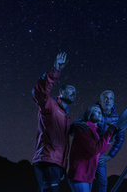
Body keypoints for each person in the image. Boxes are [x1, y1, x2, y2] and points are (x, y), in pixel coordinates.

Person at [32, 52, 75, 192]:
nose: (74, 93)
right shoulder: (50, 104)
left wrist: (63, 166)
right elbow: (39, 92)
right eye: (70, 90)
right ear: (61, 92)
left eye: (75, 91)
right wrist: (55, 70)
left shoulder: (66, 115)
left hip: (56, 164)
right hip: (47, 160)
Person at [72, 90, 126, 192]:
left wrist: (110, 155)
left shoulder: (116, 118)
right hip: (87, 151)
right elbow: (77, 126)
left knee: (102, 181)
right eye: (105, 98)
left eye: (110, 98)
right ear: (100, 101)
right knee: (86, 178)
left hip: (100, 152)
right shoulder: (92, 112)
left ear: (113, 101)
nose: (108, 100)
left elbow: (120, 138)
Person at [67, 104, 116, 192]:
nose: (99, 113)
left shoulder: (94, 132)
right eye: (96, 111)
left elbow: (98, 152)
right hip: (80, 174)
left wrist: (109, 140)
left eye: (100, 112)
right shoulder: (85, 128)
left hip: (87, 175)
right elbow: (95, 150)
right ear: (89, 114)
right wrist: (108, 133)